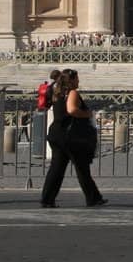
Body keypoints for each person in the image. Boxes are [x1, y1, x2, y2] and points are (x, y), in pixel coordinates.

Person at [41, 69, 106, 208]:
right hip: (70, 137)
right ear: (71, 80)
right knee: (82, 169)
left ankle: (47, 199)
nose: (78, 81)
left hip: (56, 134)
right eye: (77, 79)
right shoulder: (72, 93)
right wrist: (87, 113)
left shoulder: (56, 92)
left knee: (56, 169)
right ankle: (93, 198)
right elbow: (71, 110)